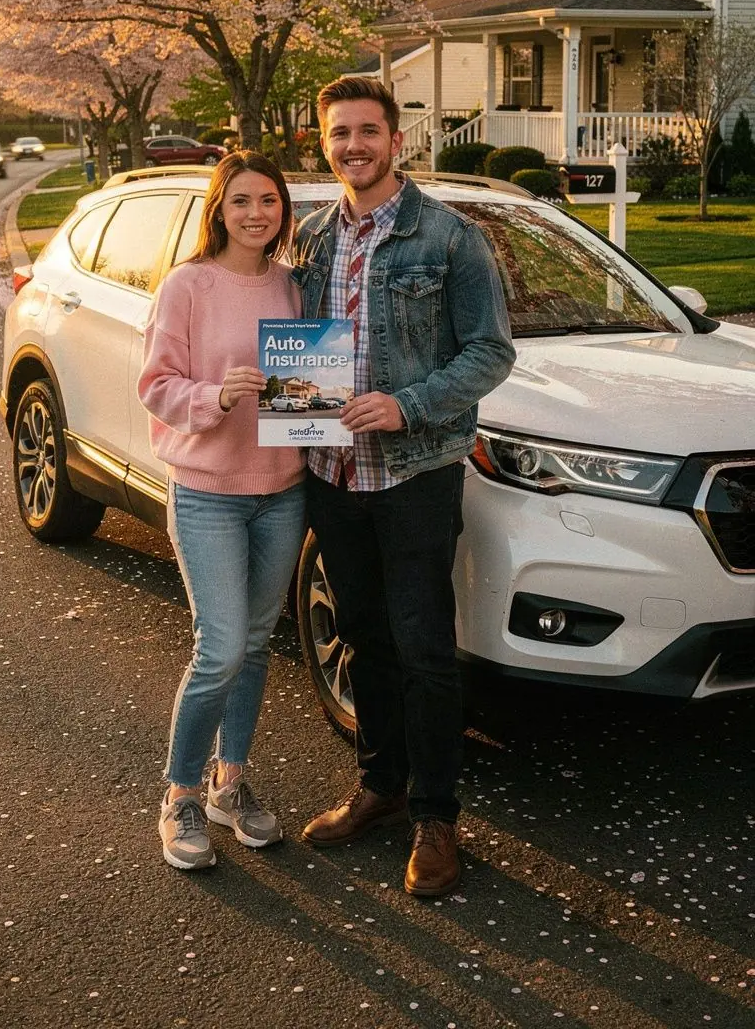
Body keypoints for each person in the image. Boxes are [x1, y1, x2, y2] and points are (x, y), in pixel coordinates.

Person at [295, 76, 515, 897]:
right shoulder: (313, 237)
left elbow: (490, 352)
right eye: (339, 134)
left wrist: (407, 404)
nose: (353, 146)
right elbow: (300, 351)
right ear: (327, 143)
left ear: (396, 139)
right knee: (361, 632)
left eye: (367, 131)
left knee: (424, 646)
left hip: (414, 474)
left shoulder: (449, 238)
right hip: (331, 474)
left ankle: (435, 817)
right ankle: (379, 788)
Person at [138, 151, 307, 871]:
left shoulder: (295, 287)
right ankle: (178, 794)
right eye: (241, 201)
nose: (256, 214)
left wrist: (314, 401)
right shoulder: (189, 284)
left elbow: (307, 388)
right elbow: (155, 383)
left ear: (282, 210)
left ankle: (228, 786)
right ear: (219, 208)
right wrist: (216, 396)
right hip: (207, 489)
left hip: (283, 489)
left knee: (259, 642)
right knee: (221, 648)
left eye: (267, 201)